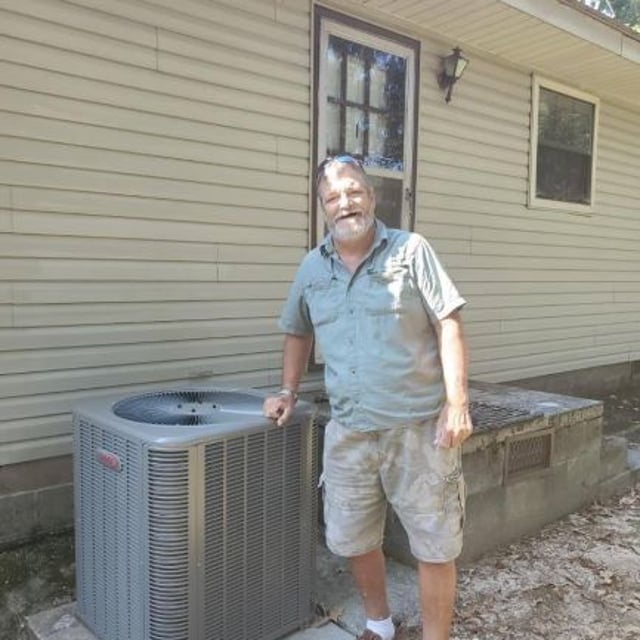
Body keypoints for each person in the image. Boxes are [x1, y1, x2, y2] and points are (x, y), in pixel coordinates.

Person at [263, 155, 473, 640]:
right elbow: (297, 331)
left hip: (420, 430)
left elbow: (449, 322)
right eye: (333, 197)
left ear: (372, 197)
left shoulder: (411, 250)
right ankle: (379, 624)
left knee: (434, 546)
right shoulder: (312, 267)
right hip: (350, 431)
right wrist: (287, 391)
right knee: (353, 538)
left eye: (354, 191)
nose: (345, 203)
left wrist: (457, 401)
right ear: (323, 208)